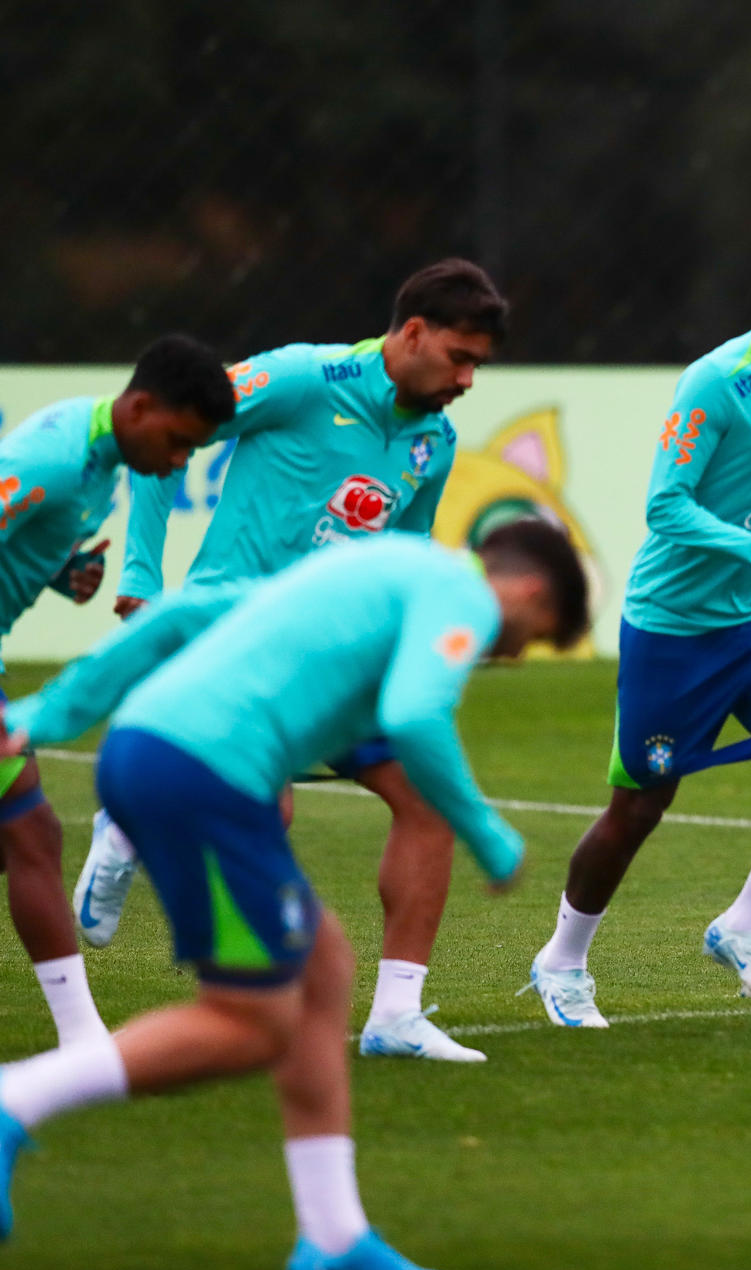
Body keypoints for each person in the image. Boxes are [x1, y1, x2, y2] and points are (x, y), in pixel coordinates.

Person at [0, 522, 587, 1270]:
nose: (509, 653)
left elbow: (181, 615)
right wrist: (487, 834)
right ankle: (17, 1097)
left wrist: (46, 713)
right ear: (531, 591)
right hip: (203, 773)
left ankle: (335, 1239)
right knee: (248, 1023)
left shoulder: (386, 564)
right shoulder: (459, 594)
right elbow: (415, 715)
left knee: (321, 971)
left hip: (166, 753)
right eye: (530, 636)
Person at [75, 259, 511, 1060]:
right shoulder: (301, 378)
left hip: (339, 657)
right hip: (236, 644)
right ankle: (129, 832)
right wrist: (141, 572)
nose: (468, 378)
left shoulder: (435, 443)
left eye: (479, 364)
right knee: (264, 809)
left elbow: (404, 555)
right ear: (411, 332)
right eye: (459, 357)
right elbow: (173, 431)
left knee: (428, 800)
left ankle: (396, 1018)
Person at [521, 234, 751, 1025]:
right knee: (640, 807)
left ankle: (743, 927)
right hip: (676, 626)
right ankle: (562, 960)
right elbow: (665, 507)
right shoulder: (720, 382)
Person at [0, 334, 233, 1048]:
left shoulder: (99, 457)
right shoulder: (55, 460)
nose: (177, 462)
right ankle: (84, 1040)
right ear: (139, 406)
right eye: (177, 442)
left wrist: (61, 570)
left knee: (23, 833)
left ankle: (81, 1037)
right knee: (29, 830)